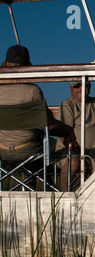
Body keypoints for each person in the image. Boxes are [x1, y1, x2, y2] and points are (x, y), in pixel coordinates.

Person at [0, 45, 78, 189]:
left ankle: (27, 184)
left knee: (37, 139)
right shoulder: (33, 91)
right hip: (28, 149)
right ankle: (47, 188)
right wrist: (68, 130)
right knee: (41, 140)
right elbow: (51, 125)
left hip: (1, 150)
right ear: (28, 66)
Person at [55, 81, 95, 191]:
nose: (81, 88)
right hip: (70, 151)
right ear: (70, 88)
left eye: (84, 85)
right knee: (74, 162)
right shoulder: (67, 105)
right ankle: (65, 197)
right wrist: (84, 158)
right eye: (76, 86)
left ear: (90, 86)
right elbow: (64, 136)